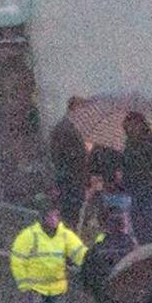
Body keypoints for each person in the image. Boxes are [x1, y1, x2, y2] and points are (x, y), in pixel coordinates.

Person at [121, 112, 152, 242]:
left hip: (147, 187)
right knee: (136, 220)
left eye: (130, 125)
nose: (128, 129)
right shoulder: (130, 141)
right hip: (134, 187)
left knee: (146, 219)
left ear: (139, 124)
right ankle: (142, 241)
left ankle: (147, 243)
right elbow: (127, 163)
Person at [49, 96, 90, 230]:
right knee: (70, 215)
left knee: (72, 214)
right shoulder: (66, 129)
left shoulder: (69, 127)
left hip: (71, 180)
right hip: (70, 180)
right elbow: (63, 156)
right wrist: (85, 151)